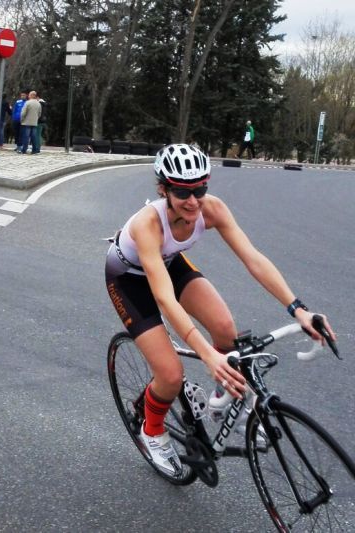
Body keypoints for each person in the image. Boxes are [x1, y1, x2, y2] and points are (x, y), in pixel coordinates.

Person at [104, 143, 335, 476]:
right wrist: (208, 356)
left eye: (200, 188)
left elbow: (253, 259)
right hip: (129, 278)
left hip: (169, 264)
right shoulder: (147, 224)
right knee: (170, 374)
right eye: (183, 191)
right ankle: (151, 430)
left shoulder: (212, 210)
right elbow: (166, 300)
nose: (194, 200)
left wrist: (298, 309)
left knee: (225, 329)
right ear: (163, 189)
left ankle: (219, 401)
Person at [19, 90, 41, 155]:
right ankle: (34, 150)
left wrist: (22, 120)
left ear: (31, 95)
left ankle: (24, 150)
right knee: (34, 137)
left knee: (26, 137)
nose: (28, 96)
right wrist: (36, 119)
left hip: (26, 122)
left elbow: (23, 113)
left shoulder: (27, 103)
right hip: (34, 122)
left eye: (29, 95)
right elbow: (39, 113)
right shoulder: (38, 103)